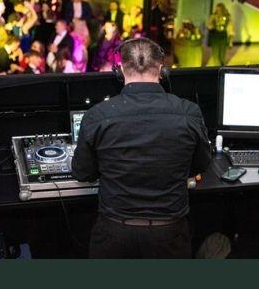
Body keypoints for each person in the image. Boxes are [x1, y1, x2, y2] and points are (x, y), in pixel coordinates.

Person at [71, 38, 212, 258]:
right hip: (169, 235)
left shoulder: (97, 116)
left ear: (119, 71)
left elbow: (82, 172)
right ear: (162, 71)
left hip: (114, 233)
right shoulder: (189, 113)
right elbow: (202, 164)